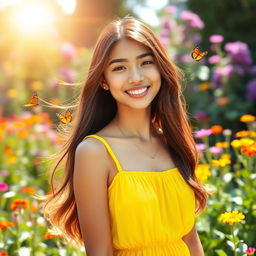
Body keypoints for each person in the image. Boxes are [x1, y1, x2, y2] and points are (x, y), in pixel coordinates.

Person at [42, 15, 210, 256]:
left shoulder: (172, 142)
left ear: (161, 69)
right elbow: (100, 253)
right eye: (119, 67)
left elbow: (191, 240)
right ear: (103, 81)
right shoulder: (94, 153)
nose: (135, 77)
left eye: (146, 62)